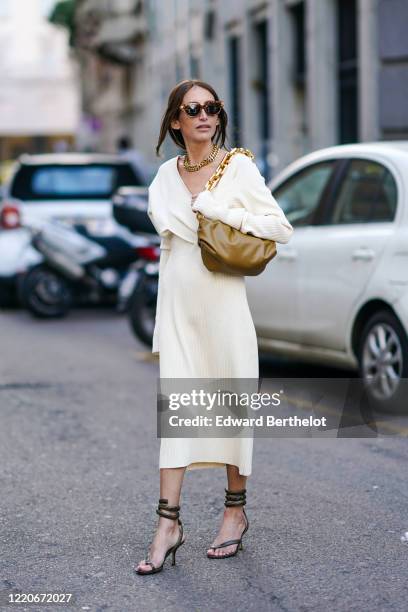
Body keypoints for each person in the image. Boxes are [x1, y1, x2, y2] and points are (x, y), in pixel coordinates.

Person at [135, 79, 294, 575]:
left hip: (224, 307)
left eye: (212, 107)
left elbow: (279, 227)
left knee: (231, 409)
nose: (204, 115)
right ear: (175, 122)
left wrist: (216, 208)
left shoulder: (238, 167)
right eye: (192, 109)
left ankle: (234, 511)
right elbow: (168, 249)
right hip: (180, 309)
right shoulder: (164, 176)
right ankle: (168, 524)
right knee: (178, 416)